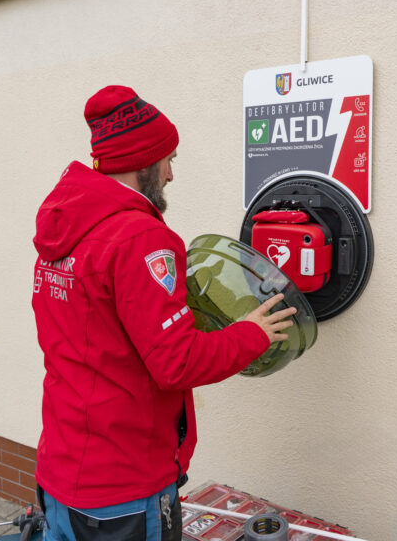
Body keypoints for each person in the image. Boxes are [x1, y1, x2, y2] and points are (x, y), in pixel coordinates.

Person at [31, 85, 296, 541]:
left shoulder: (64, 229)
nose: (171, 174)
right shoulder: (140, 238)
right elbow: (178, 361)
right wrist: (252, 333)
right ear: (142, 163)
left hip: (61, 473)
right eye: (168, 159)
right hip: (123, 490)